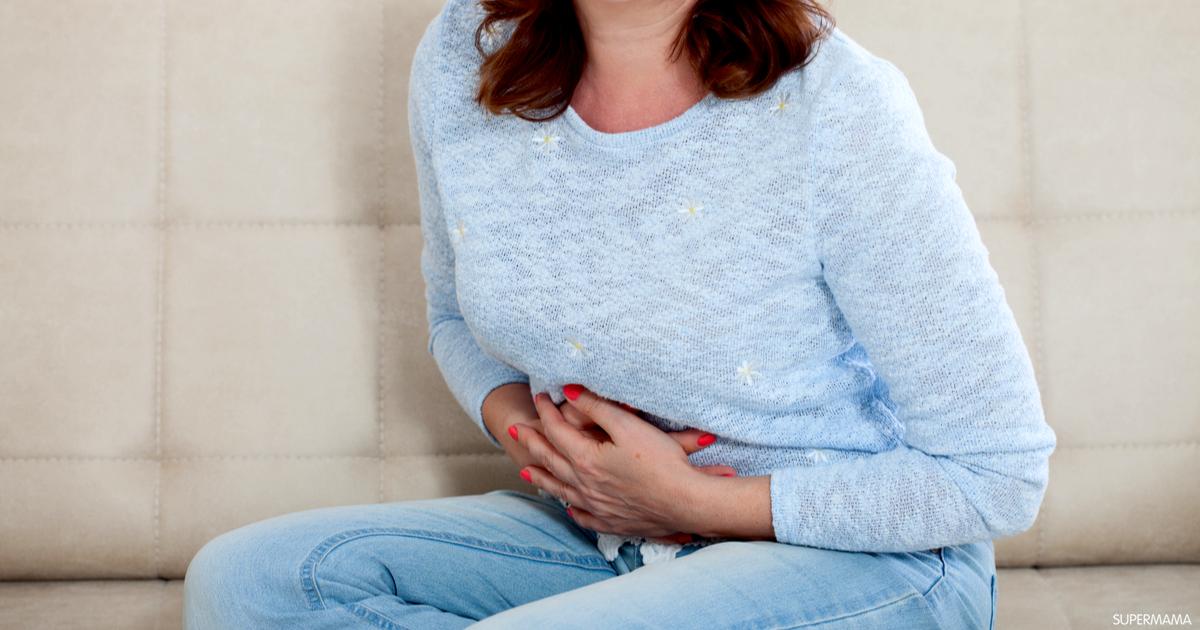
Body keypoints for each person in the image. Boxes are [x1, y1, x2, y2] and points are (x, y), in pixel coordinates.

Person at [182, 0, 1057, 627]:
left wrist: (692, 501)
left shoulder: (837, 105)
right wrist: (561, 458)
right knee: (252, 582)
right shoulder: (466, 51)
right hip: (609, 540)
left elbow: (996, 474)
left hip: (865, 560)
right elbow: (453, 316)